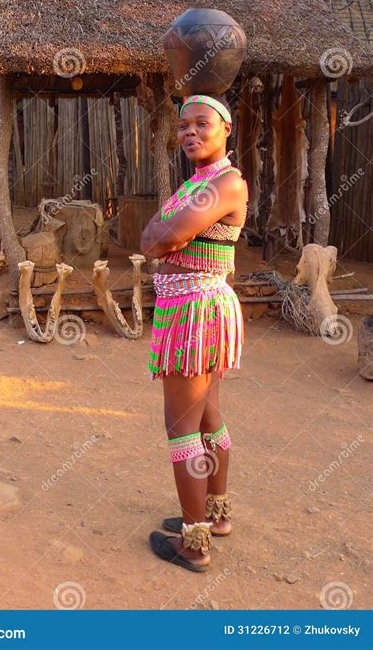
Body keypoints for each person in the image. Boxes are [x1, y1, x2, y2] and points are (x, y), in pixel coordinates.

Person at [140, 93, 248, 573]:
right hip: (196, 310)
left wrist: (158, 234)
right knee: (206, 417)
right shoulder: (200, 182)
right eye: (183, 126)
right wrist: (159, 233)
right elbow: (157, 236)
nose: (189, 133)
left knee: (180, 426)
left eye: (201, 124)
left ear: (227, 129)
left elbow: (157, 239)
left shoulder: (224, 184)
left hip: (195, 314)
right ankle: (216, 516)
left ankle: (194, 544)